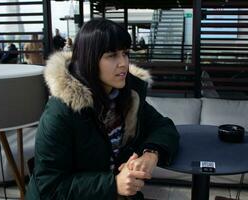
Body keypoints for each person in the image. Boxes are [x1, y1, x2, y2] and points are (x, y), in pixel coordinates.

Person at [25, 19, 179, 200]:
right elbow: (50, 187)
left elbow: (164, 127)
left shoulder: (127, 96)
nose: (123, 63)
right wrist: (114, 184)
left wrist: (150, 154)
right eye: (112, 55)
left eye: (125, 53)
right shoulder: (61, 113)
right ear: (89, 59)